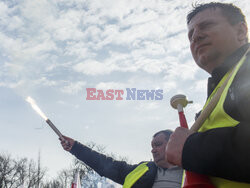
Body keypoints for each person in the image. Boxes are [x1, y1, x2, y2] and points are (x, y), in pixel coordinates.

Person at [165, 2, 250, 187]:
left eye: (206, 26)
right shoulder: (222, 87)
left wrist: (191, 148)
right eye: (190, 35)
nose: (196, 36)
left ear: (241, 32)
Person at [61, 130, 183, 187]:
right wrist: (76, 147)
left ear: (172, 143)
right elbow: (105, 164)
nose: (153, 150)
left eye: (158, 144)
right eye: (152, 146)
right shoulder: (144, 170)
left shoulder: (191, 170)